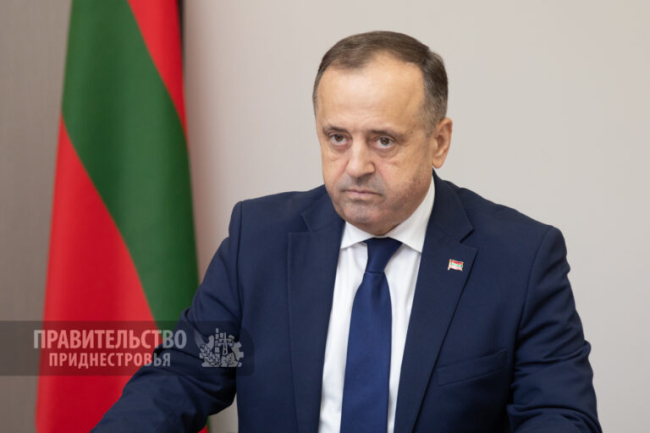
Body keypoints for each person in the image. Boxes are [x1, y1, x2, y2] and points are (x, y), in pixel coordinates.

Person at [93, 31, 600, 432]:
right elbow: (182, 376)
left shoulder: (520, 259)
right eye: (337, 137)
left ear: (439, 142)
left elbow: (559, 415)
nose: (355, 166)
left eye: (384, 141)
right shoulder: (259, 242)